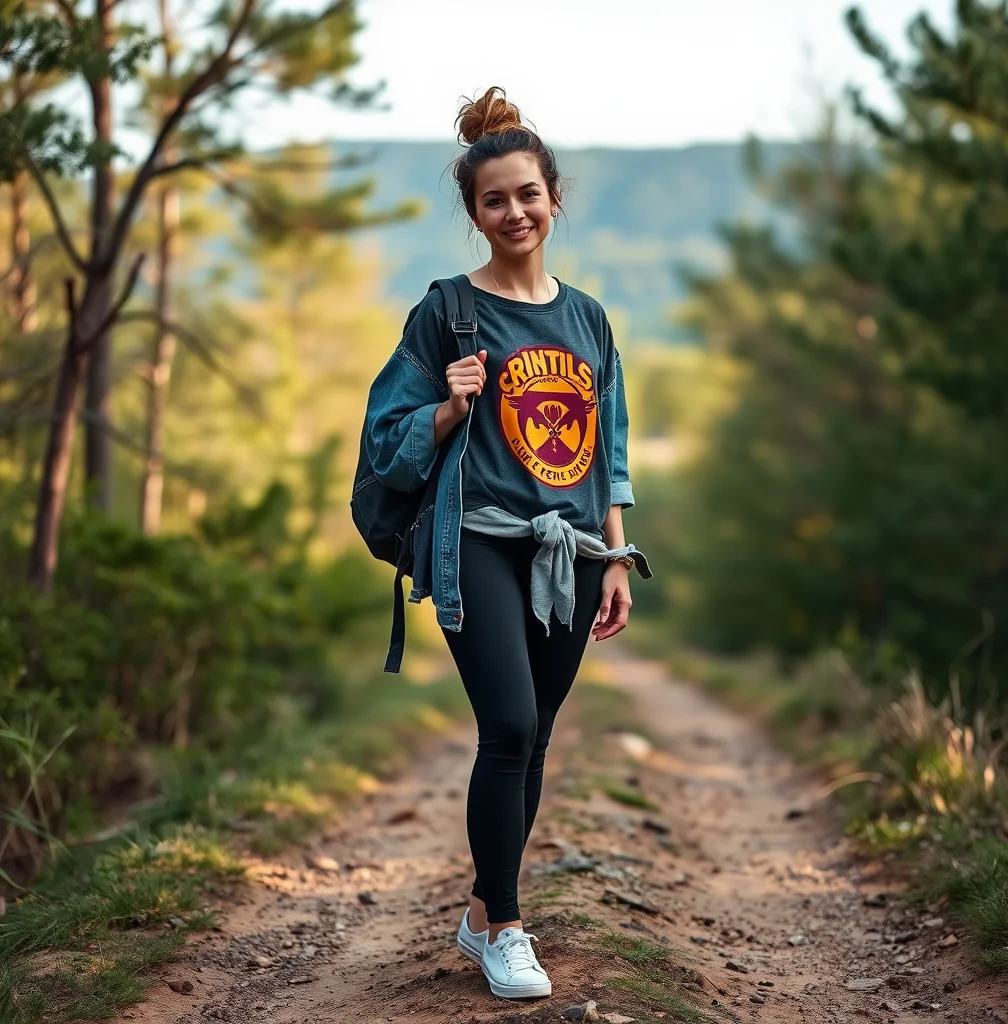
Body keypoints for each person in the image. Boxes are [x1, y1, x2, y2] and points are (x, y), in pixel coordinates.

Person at [363, 87, 650, 1000]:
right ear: (475, 213)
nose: (514, 212)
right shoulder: (447, 312)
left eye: (528, 194)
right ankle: (511, 932)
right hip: (478, 542)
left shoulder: (588, 318)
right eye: (495, 200)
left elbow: (609, 449)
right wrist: (447, 408)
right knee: (511, 726)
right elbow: (384, 436)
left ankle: (485, 909)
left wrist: (614, 555)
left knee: (537, 738)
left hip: (568, 549)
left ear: (552, 198)